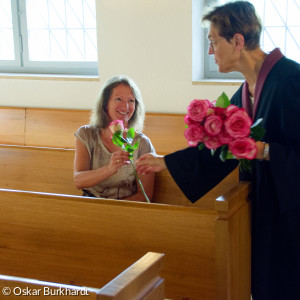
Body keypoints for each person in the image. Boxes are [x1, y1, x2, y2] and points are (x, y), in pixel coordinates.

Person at [136, 1, 300, 299]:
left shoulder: (291, 80)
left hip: (291, 215)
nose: (210, 51)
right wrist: (167, 163)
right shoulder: (247, 89)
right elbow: (225, 146)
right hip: (265, 208)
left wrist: (264, 151)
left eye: (213, 42)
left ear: (237, 41)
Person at [74, 75, 155, 202]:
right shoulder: (86, 134)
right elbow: (78, 181)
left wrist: (113, 213)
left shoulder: (142, 143)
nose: (126, 107)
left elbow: (145, 197)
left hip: (126, 210)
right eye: (118, 99)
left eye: (131, 101)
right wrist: (109, 169)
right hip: (90, 206)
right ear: (105, 104)